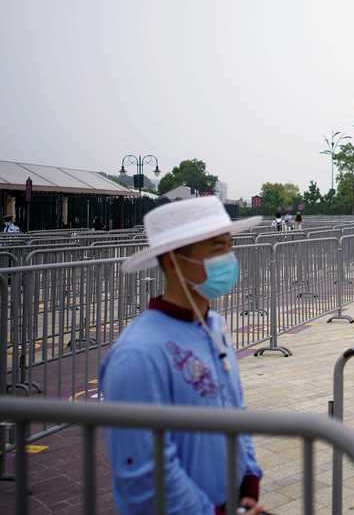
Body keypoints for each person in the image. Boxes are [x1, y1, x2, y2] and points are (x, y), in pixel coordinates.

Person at [100, 197, 265, 515]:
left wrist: (248, 479)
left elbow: (235, 408)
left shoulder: (215, 326)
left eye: (230, 247)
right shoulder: (137, 354)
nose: (228, 259)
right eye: (217, 248)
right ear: (174, 262)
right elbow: (144, 476)